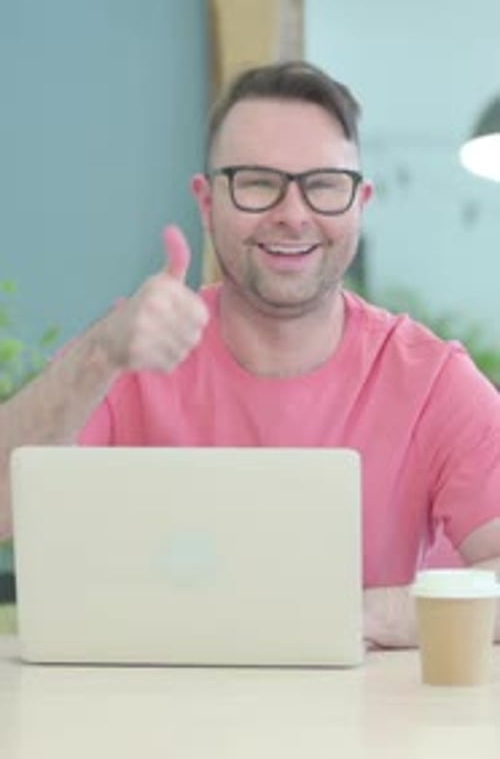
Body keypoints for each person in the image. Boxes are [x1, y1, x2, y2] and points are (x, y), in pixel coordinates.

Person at [1, 60, 500, 648]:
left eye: (323, 184)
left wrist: (361, 615)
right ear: (207, 201)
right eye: (259, 181)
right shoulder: (126, 352)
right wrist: (98, 358)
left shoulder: (430, 378)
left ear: (360, 202)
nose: (293, 213)